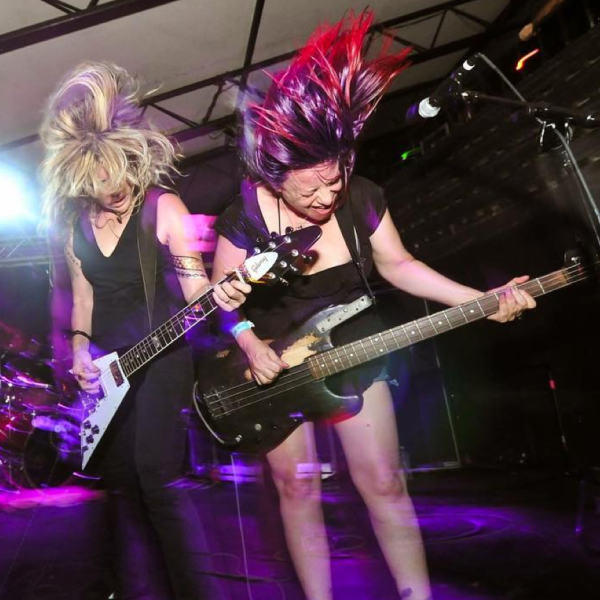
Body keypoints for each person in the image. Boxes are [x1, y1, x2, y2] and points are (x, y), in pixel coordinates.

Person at [211, 11, 536, 600]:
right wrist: (250, 344)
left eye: (333, 180)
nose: (325, 196)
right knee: (297, 489)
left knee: (384, 482)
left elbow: (399, 265)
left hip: (355, 352)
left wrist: (483, 301)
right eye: (309, 188)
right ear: (276, 176)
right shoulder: (244, 216)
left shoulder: (360, 196)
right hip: (274, 372)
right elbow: (221, 302)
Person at [40, 61, 251, 600]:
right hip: (108, 368)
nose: (110, 188)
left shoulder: (163, 207)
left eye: (116, 173)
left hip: (162, 353)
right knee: (121, 484)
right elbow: (83, 297)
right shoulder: (72, 227)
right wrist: (80, 351)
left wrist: (223, 295)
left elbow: (194, 286)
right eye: (97, 179)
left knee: (155, 476)